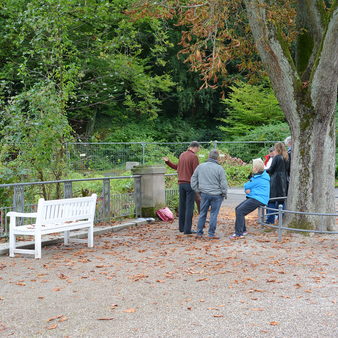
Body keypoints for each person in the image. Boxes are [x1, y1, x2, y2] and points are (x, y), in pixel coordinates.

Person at [162, 141, 200, 234]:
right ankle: (187, 230)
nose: (198, 151)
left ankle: (181, 227)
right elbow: (196, 172)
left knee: (182, 206)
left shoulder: (182, 155)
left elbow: (177, 167)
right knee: (189, 207)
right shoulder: (194, 157)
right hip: (189, 184)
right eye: (198, 149)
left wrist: (168, 162)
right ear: (195, 147)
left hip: (181, 184)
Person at [191, 150, 228, 239]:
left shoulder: (200, 167)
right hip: (217, 195)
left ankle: (199, 233)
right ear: (217, 157)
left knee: (202, 213)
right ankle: (211, 234)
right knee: (213, 214)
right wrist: (224, 193)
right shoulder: (220, 168)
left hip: (204, 194)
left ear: (208, 156)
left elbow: (193, 180)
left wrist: (197, 190)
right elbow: (223, 183)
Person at [230, 158, 270, 239]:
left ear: (256, 168)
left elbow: (246, 186)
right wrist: (249, 190)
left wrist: (249, 190)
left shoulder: (259, 178)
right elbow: (250, 187)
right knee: (238, 208)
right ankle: (243, 230)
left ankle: (239, 233)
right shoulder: (262, 175)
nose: (252, 168)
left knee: (240, 211)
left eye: (253, 166)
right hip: (256, 196)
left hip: (259, 198)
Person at [266, 142, 290, 224]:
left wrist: (264, 170)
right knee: (281, 201)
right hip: (284, 181)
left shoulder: (277, 158)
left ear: (277, 149)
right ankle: (281, 219)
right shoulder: (286, 157)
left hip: (276, 180)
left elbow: (271, 169)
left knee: (271, 200)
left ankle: (270, 219)